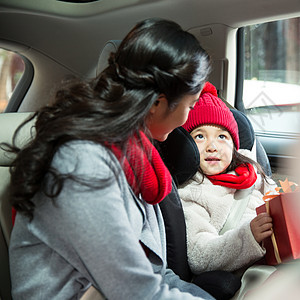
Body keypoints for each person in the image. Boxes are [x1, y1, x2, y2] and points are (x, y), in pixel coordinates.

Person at [6, 18, 214, 300]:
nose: (188, 117)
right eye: (190, 105)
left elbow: (153, 273)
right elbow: (137, 291)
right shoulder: (82, 163)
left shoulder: (134, 156)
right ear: (157, 103)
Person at [178, 82, 276, 275]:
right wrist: (249, 237)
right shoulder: (192, 193)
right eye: (199, 136)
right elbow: (200, 256)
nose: (212, 146)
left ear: (234, 146)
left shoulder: (251, 171)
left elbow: (275, 199)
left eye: (222, 137)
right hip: (248, 276)